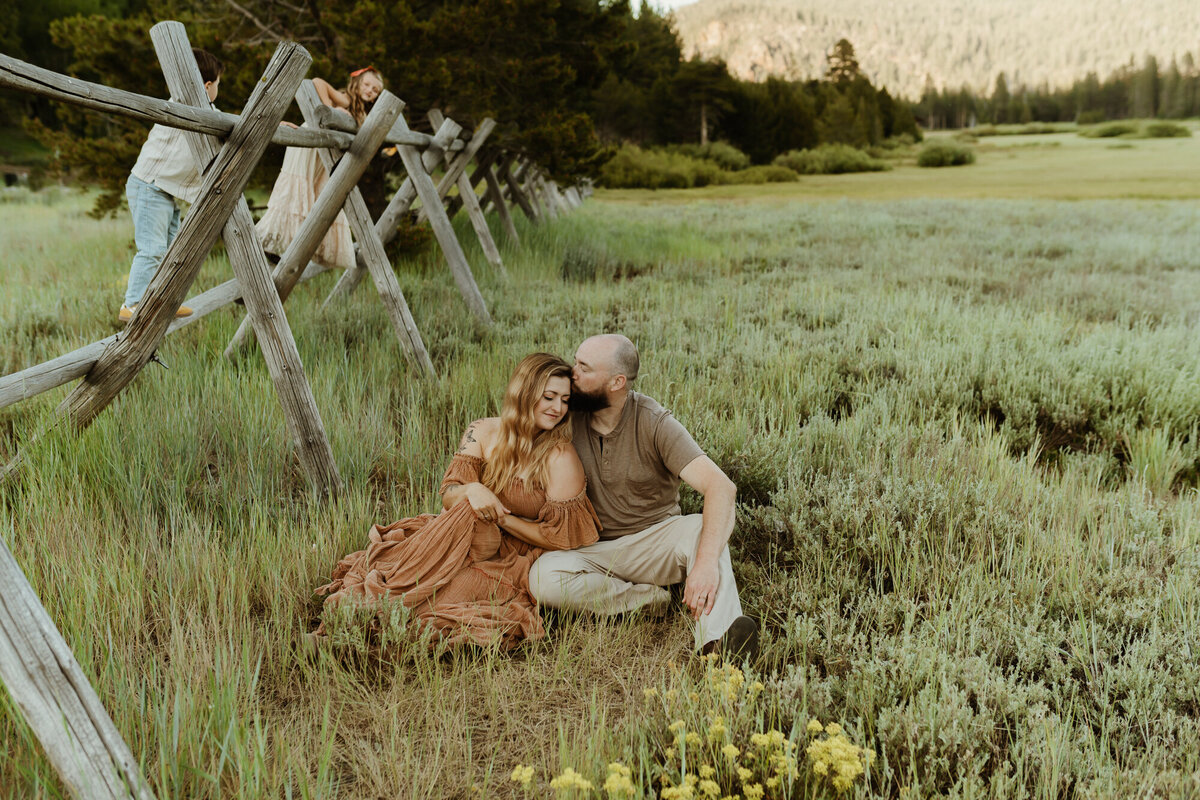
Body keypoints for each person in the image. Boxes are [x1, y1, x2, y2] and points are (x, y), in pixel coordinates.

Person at [314, 353, 600, 650]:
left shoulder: (559, 456)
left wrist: (501, 518)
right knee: (463, 511)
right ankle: (354, 621)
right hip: (456, 537)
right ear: (524, 393)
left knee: (445, 599)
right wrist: (472, 490)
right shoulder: (482, 430)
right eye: (549, 397)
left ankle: (358, 636)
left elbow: (560, 539)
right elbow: (449, 494)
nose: (557, 408)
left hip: (510, 556)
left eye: (565, 400)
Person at [529, 334, 759, 659]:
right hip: (595, 549)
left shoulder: (654, 422)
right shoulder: (565, 415)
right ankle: (643, 601)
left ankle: (718, 646)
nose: (572, 372)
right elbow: (511, 429)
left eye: (583, 367)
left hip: (655, 544)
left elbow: (722, 488)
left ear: (616, 382)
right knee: (542, 576)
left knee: (701, 532)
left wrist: (705, 564)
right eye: (574, 361)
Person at [118, 48, 223, 323]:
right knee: (152, 248)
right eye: (218, 84)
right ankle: (132, 303)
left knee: (168, 251)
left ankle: (162, 299)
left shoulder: (207, 111)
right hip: (150, 185)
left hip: (166, 190)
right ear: (207, 86)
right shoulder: (183, 104)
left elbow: (227, 124)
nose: (218, 90)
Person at [254, 67, 384, 270]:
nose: (370, 91)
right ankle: (271, 244)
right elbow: (317, 81)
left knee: (314, 195)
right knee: (297, 191)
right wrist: (326, 111)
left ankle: (288, 247)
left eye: (375, 90)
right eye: (367, 85)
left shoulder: (361, 110)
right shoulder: (346, 99)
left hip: (322, 149)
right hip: (313, 142)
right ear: (357, 83)